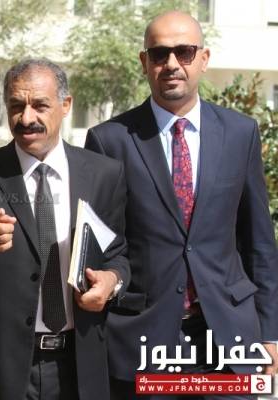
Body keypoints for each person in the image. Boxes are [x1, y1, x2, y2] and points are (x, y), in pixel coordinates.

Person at [85, 11, 278, 399]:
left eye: (184, 52)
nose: (172, 64)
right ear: (144, 62)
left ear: (203, 58)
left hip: (229, 339)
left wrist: (271, 334)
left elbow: (258, 243)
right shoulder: (109, 141)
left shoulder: (240, 133)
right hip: (144, 339)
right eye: (160, 54)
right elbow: (102, 245)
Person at [0, 58, 129, 400]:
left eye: (39, 105)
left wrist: (111, 282)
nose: (26, 118)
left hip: (78, 366)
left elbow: (118, 254)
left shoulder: (103, 175)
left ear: (66, 105)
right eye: (16, 106)